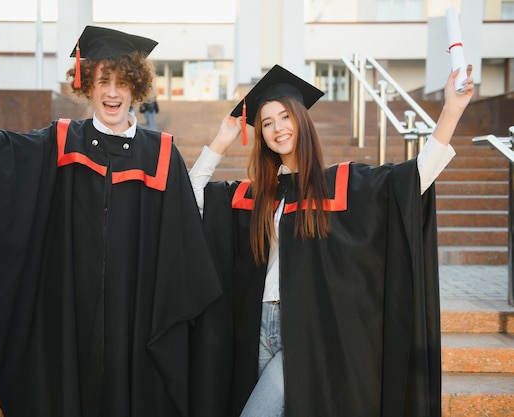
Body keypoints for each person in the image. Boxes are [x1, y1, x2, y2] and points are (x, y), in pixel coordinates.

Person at [0, 26, 230, 417]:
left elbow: (182, 241)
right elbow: (6, 153)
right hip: (68, 319)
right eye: (102, 80)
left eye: (123, 82)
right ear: (86, 84)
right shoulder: (60, 142)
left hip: (137, 323)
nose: (112, 92)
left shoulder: (160, 155)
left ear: (136, 88)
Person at [189, 64, 475, 416]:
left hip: (309, 326)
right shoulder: (255, 195)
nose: (277, 128)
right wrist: (221, 140)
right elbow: (190, 199)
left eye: (284, 117)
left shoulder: (341, 185)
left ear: (301, 121)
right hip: (257, 326)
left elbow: (417, 176)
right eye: (266, 122)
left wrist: (453, 109)